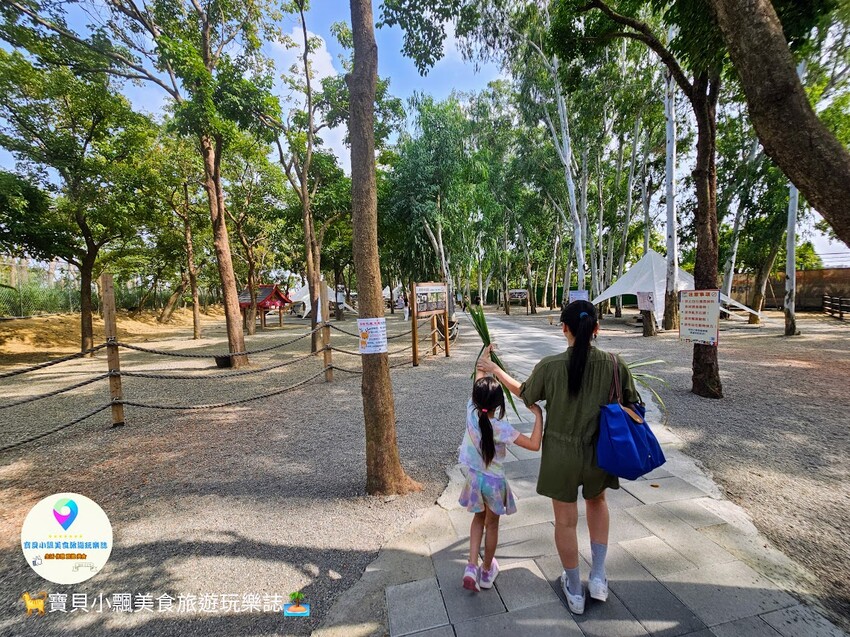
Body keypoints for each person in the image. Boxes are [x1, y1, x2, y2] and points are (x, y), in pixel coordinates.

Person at [476, 299, 641, 615]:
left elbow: (525, 393)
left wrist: (494, 369)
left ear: (564, 328)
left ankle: (575, 590)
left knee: (565, 521)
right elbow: (633, 406)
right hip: (599, 453)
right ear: (596, 329)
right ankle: (598, 578)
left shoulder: (550, 366)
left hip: (560, 456)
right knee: (598, 504)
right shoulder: (616, 365)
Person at [459, 353, 543, 592]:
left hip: (474, 479)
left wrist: (483, 361)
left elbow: (478, 379)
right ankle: (486, 572)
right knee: (492, 526)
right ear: (499, 405)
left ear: (476, 400)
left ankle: (470, 566)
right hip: (494, 483)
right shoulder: (502, 428)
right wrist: (538, 416)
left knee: (477, 519)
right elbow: (535, 444)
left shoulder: (471, 413)